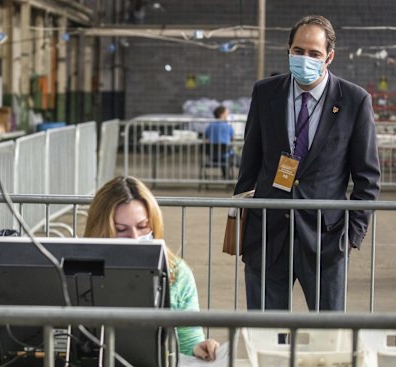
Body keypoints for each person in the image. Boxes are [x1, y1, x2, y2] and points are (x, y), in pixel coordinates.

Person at [234, 15, 381, 311]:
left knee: (327, 337)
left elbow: (367, 178)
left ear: (329, 57)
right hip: (267, 237)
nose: (305, 58)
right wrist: (244, 225)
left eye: (314, 53)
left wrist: (351, 237)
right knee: (263, 332)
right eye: (298, 51)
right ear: (288, 50)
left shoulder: (354, 100)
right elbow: (250, 163)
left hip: (326, 241)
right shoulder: (265, 93)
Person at [84, 176, 220, 360]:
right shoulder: (73, 268)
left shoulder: (177, 273)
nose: (134, 237)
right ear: (101, 230)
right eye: (121, 229)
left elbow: (189, 340)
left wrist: (200, 348)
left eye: (142, 227)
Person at [204, 106, 239, 178]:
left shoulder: (210, 126)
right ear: (221, 114)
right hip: (226, 156)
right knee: (242, 159)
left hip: (213, 156)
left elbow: (205, 138)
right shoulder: (228, 127)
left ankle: (226, 177)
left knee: (224, 153)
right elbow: (233, 140)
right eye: (227, 113)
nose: (228, 115)